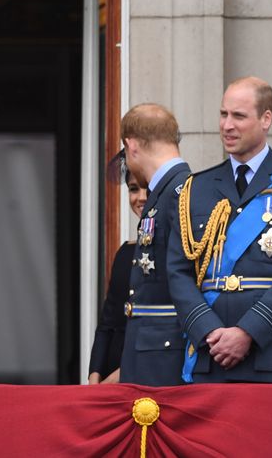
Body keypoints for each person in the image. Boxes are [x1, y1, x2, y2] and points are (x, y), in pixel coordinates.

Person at [166, 76, 272, 383]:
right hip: (209, 356)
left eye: (238, 116)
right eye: (223, 114)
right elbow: (177, 271)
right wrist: (209, 331)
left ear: (266, 118)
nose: (227, 125)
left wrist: (248, 332)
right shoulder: (195, 189)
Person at [117, 103, 191, 386]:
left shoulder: (179, 192)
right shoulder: (169, 191)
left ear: (131, 146)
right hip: (150, 351)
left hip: (164, 357)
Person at [87, 159, 148, 384]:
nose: (140, 197)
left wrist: (115, 379)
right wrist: (94, 377)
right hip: (108, 381)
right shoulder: (125, 252)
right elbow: (108, 323)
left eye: (148, 188)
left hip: (143, 377)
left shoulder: (174, 250)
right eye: (133, 189)